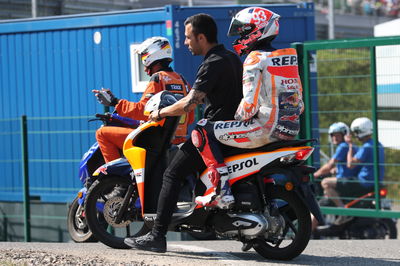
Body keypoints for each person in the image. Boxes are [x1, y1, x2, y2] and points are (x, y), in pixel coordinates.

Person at [123, 13, 243, 253]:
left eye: (188, 38)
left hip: (213, 133)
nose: (185, 43)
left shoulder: (212, 63)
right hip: (234, 131)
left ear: (201, 37)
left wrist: (161, 113)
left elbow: (190, 103)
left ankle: (157, 236)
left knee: (172, 173)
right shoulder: (232, 58)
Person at [191, 7, 304, 208]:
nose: (240, 37)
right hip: (291, 129)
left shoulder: (254, 58)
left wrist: (233, 118)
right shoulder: (289, 56)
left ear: (257, 30)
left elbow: (248, 108)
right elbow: (299, 102)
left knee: (202, 130)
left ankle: (221, 190)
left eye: (243, 32)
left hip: (264, 129)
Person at [93, 36, 193, 163]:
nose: (145, 69)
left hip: (155, 141)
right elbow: (190, 118)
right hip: (178, 140)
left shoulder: (157, 79)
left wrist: (114, 102)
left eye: (144, 59)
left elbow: (143, 110)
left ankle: (116, 175)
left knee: (102, 133)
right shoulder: (182, 81)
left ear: (150, 56)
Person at [311, 122, 359, 230]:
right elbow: (343, 166)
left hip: (345, 181)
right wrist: (335, 170)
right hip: (348, 179)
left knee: (324, 188)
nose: (335, 137)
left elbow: (330, 164)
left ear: (344, 135)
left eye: (338, 135)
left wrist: (316, 174)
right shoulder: (350, 146)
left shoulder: (343, 146)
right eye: (333, 135)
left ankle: (342, 211)